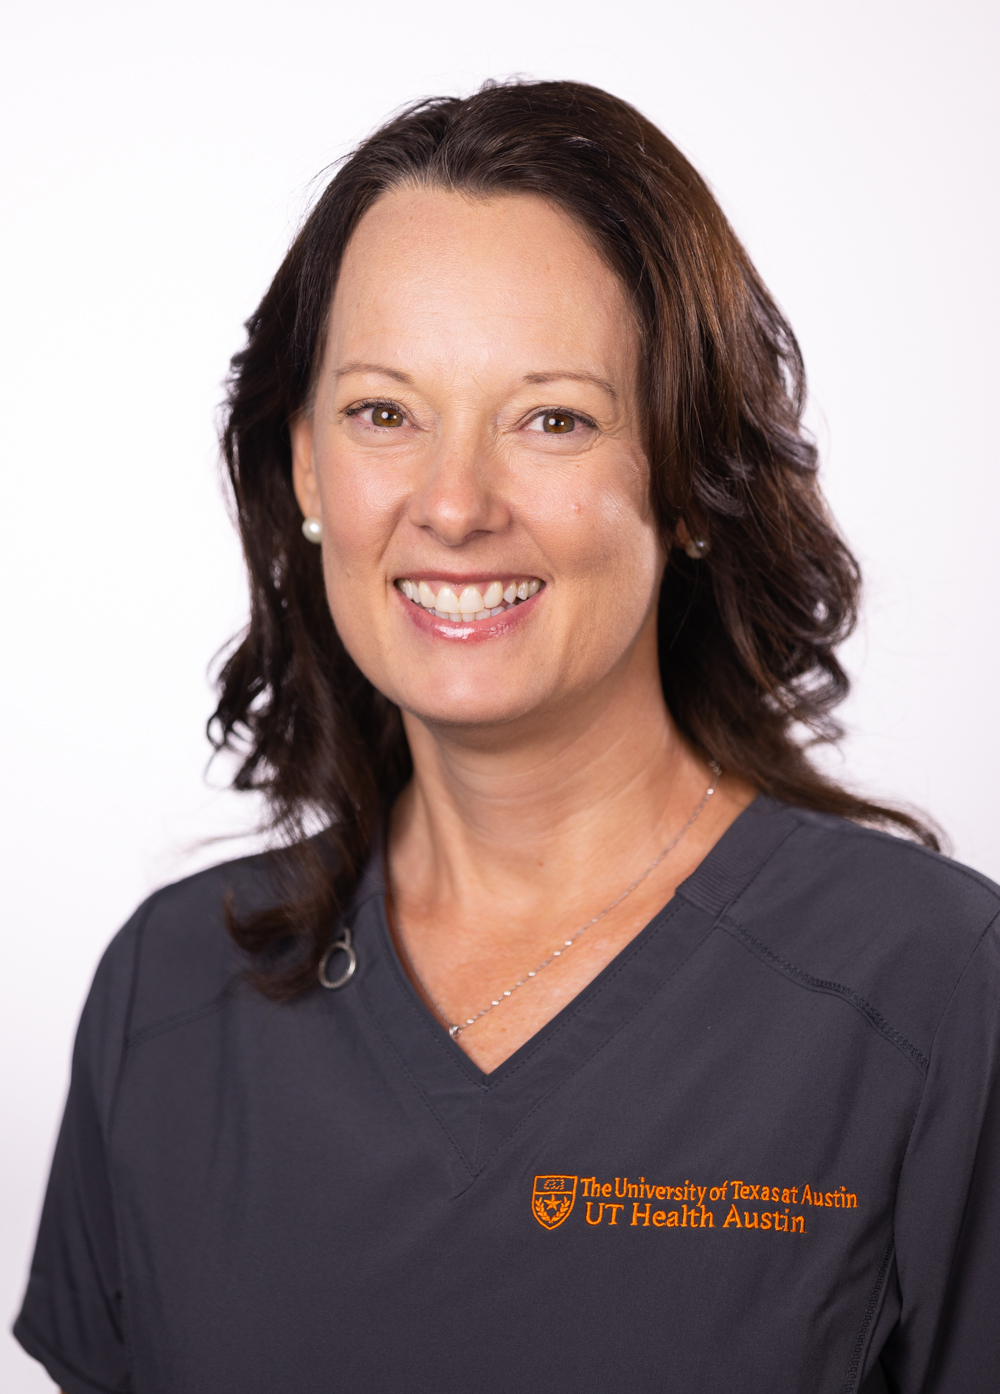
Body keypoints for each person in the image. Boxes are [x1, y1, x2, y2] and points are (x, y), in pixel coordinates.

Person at [14, 80, 1000, 1394]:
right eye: (384, 413)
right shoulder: (168, 994)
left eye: (553, 419)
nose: (455, 504)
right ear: (305, 466)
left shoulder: (935, 991)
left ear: (690, 479)